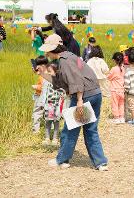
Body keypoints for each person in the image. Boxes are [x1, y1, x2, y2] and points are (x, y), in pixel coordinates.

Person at [37, 34, 108, 171]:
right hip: (95, 94)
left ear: (53, 49)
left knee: (70, 130)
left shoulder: (64, 61)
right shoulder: (71, 56)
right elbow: (63, 82)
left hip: (83, 96)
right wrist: (43, 73)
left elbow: (76, 81)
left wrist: (80, 101)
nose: (46, 53)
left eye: (47, 50)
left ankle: (62, 159)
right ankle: (100, 163)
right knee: (91, 130)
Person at [32, 56, 67, 146]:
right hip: (49, 105)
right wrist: (42, 103)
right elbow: (44, 92)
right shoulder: (47, 80)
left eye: (50, 71)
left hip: (57, 106)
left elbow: (63, 93)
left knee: (56, 122)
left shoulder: (59, 82)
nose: (48, 72)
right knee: (48, 121)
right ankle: (47, 138)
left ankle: (55, 138)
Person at [107, 52, 125, 124]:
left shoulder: (114, 69)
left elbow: (109, 77)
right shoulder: (123, 68)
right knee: (121, 104)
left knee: (114, 104)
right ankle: (122, 117)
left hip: (114, 90)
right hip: (122, 89)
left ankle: (116, 118)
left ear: (114, 60)